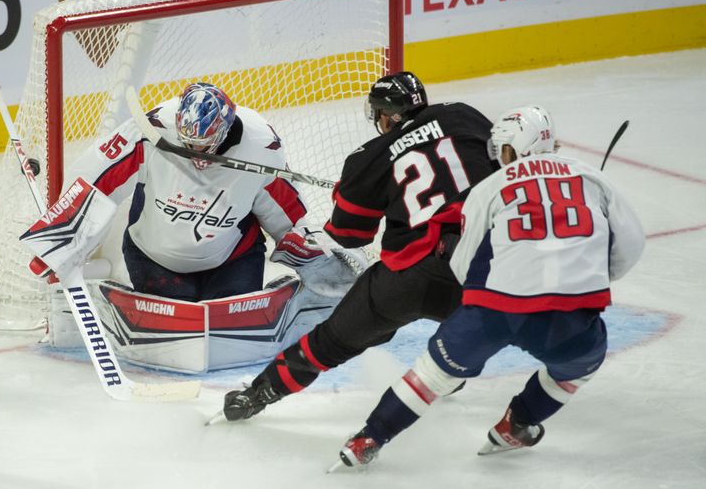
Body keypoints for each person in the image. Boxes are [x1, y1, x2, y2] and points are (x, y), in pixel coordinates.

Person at [331, 105, 645, 470]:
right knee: (579, 364)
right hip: (570, 311)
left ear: (509, 150)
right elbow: (630, 246)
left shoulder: (490, 187)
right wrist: (588, 272)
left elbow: (463, 263)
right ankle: (519, 423)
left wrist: (482, 302)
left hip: (494, 310)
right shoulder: (592, 179)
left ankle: (368, 438)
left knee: (431, 375)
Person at [219, 71, 500, 422]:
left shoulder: (369, 157)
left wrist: (350, 193)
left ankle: (255, 396)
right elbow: (505, 163)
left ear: (383, 115)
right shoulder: (463, 114)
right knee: (522, 312)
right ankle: (453, 363)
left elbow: (350, 235)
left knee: (330, 341)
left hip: (407, 279)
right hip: (484, 266)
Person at [66, 82, 326, 301]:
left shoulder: (260, 148)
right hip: (155, 256)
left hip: (233, 257)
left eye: (203, 144)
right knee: (173, 319)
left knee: (230, 323)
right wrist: (63, 239)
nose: (194, 152)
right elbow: (96, 180)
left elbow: (285, 208)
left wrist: (305, 245)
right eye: (188, 142)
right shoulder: (152, 128)